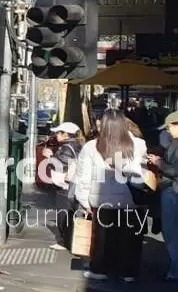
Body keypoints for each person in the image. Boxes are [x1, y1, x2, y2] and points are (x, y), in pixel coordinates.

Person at [73, 108, 148, 282]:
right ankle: (128, 272)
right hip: (130, 199)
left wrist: (84, 202)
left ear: (103, 125)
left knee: (102, 239)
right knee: (129, 237)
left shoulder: (92, 147)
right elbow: (141, 175)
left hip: (102, 199)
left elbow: (84, 178)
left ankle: (100, 269)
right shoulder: (137, 145)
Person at [42, 122, 83, 251]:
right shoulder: (79, 145)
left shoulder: (66, 147)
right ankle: (69, 240)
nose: (56, 135)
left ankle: (64, 242)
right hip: (74, 184)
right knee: (70, 213)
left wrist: (49, 157)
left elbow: (60, 165)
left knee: (63, 213)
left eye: (59, 132)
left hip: (64, 185)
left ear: (66, 134)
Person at [148, 110, 178, 280]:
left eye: (169, 127)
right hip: (172, 190)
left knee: (171, 232)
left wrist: (158, 162)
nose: (167, 131)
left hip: (173, 191)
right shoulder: (174, 142)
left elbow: (174, 170)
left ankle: (175, 270)